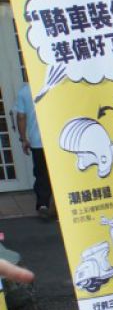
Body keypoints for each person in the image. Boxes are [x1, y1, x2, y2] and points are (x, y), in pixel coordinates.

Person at [14, 84, 52, 219]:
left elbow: (21, 117)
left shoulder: (25, 91)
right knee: (62, 173)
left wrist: (23, 139)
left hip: (38, 142)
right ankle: (64, 205)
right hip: (60, 141)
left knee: (41, 174)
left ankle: (43, 205)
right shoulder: (58, 83)